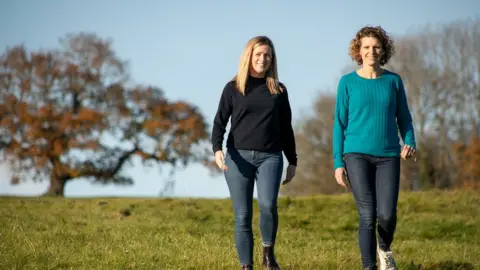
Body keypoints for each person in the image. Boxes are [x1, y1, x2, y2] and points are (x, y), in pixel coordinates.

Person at [332, 26, 417, 270]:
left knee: (387, 215)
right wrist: (338, 163)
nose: (371, 51)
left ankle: (385, 248)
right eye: (366, 47)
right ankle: (368, 266)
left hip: (389, 154)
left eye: (376, 47)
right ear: (358, 51)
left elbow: (404, 117)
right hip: (356, 154)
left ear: (383, 50)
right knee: (367, 215)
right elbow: (339, 124)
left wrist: (409, 141)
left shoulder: (393, 81)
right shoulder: (347, 83)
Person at [211, 35, 297, 270]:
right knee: (242, 216)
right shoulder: (233, 88)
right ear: (249, 56)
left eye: (267, 55)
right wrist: (216, 149)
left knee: (268, 205)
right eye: (258, 54)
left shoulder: (279, 90)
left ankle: (268, 254)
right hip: (238, 158)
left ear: (272, 59)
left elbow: (286, 127)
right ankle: (246, 266)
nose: (262, 59)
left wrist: (292, 160)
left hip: (270, 157)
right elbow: (220, 122)